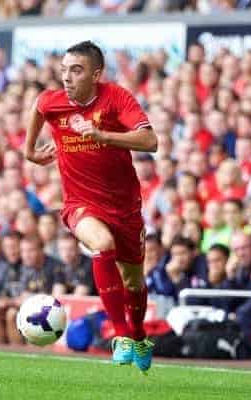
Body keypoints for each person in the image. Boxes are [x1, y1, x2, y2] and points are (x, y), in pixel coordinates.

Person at [24, 41, 157, 372]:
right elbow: (39, 108)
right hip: (80, 203)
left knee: (134, 283)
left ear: (96, 75)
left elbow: (150, 141)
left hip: (125, 207)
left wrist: (103, 136)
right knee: (102, 244)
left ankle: (138, 334)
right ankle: (121, 333)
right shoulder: (52, 101)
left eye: (76, 70)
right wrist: (29, 151)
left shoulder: (116, 98)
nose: (67, 77)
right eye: (64, 70)